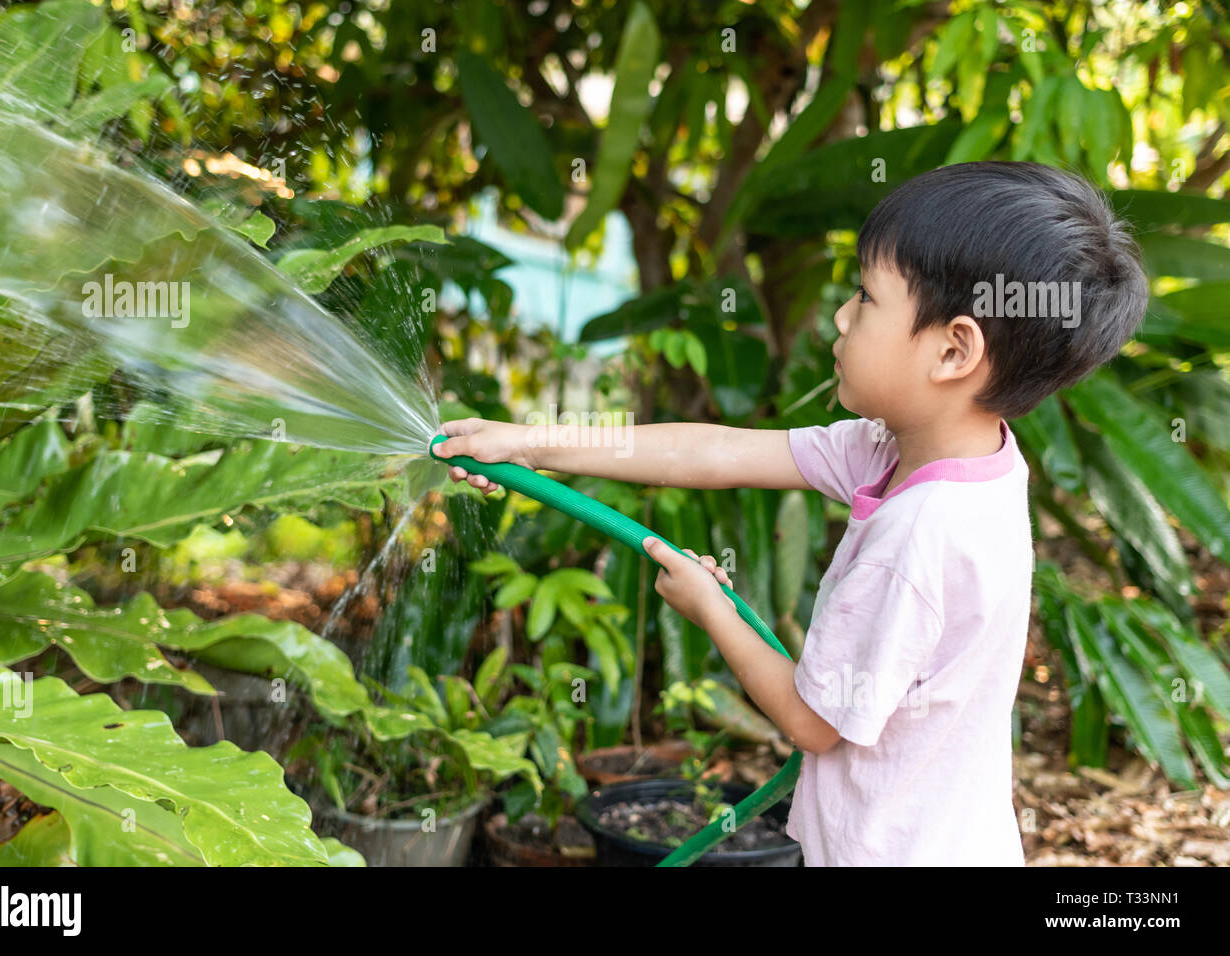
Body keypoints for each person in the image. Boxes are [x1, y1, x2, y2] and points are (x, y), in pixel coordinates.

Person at [432, 161, 1149, 865]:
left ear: (953, 350)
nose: (841, 315)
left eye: (866, 298)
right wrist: (527, 442)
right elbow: (710, 454)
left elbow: (813, 724)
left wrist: (711, 609)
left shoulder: (921, 538)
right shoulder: (935, 455)